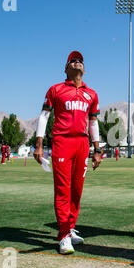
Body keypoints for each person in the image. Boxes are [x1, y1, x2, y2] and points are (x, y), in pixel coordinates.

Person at [33, 50, 102, 255]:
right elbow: (44, 116)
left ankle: (70, 228)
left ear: (85, 69)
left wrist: (97, 150)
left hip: (82, 143)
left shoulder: (92, 94)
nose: (77, 62)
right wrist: (39, 144)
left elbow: (93, 122)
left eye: (80, 60)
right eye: (73, 60)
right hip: (62, 142)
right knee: (63, 189)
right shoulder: (56, 89)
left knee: (76, 190)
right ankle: (63, 235)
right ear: (65, 68)